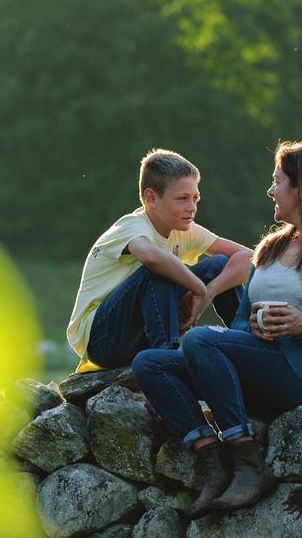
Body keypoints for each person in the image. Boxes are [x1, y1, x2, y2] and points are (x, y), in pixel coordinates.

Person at [132, 140, 302, 519]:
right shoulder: (271, 248)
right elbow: (238, 323)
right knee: (150, 365)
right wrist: (249, 330)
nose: (270, 190)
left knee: (199, 339)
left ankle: (249, 465)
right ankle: (215, 467)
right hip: (263, 366)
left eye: (277, 181)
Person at [66, 148, 252, 373]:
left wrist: (210, 291)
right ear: (150, 198)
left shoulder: (185, 229)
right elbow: (151, 257)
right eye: (182, 199)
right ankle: (166, 363)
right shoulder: (131, 225)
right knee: (158, 270)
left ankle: (246, 347)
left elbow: (251, 259)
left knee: (220, 264)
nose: (191, 207)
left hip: (141, 331)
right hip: (102, 339)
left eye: (195, 198)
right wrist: (199, 290)